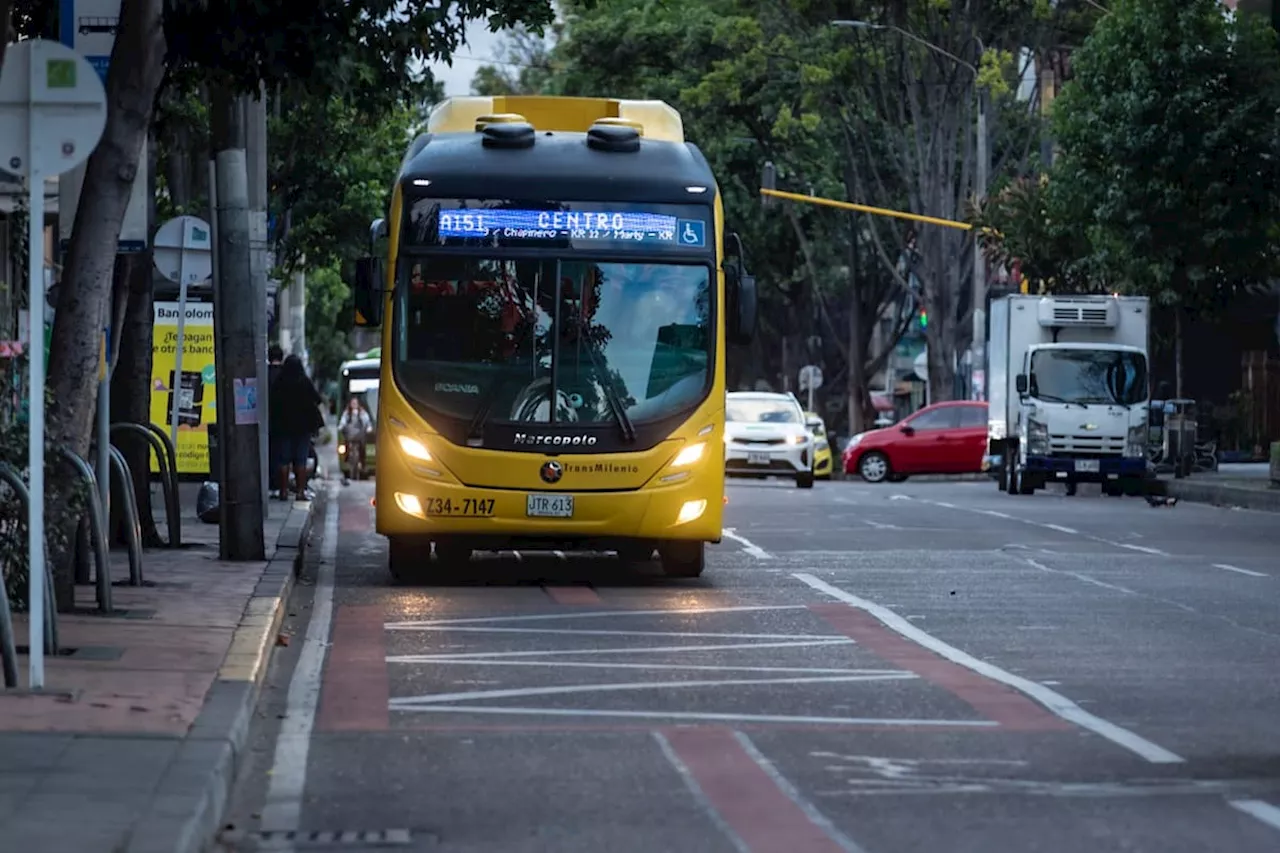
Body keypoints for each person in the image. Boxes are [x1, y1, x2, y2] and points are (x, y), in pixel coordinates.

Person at [269, 355, 324, 501]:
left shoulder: (280, 382)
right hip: (303, 428)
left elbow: (272, 402)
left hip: (283, 427)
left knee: (284, 460)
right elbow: (317, 399)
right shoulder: (304, 382)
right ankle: (300, 492)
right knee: (301, 460)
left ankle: (283, 491)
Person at [337, 396, 373, 485]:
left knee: (362, 447)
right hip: (350, 436)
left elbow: (367, 421)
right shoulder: (347, 413)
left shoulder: (362, 412)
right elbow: (343, 421)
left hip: (359, 436)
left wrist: (369, 428)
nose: (354, 405)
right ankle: (347, 459)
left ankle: (362, 462)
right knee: (346, 447)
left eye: (355, 403)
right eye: (352, 403)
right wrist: (341, 427)